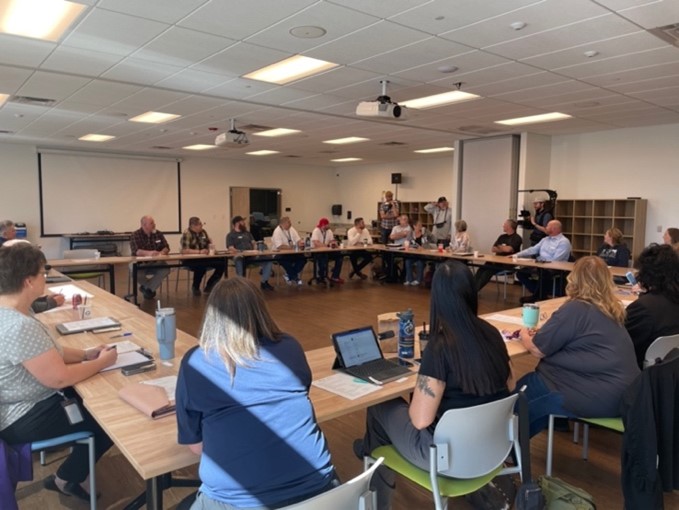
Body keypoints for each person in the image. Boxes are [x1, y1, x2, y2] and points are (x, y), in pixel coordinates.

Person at [353, 261, 512, 509]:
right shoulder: (492, 334)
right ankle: (369, 448)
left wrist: (416, 391)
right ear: (471, 292)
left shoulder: (440, 347)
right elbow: (507, 387)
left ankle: (375, 483)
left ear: (437, 297)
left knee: (380, 404)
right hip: (492, 446)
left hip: (446, 456)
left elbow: (420, 421)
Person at [176, 277, 337, 509]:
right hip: (323, 493)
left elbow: (197, 447)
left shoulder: (197, 361)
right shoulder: (290, 346)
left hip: (236, 502)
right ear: (261, 309)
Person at [0, 243, 118, 501]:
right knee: (109, 420)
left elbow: (49, 352)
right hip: (24, 415)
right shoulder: (18, 325)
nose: (46, 277)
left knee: (92, 401)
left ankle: (70, 471)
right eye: (44, 273)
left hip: (24, 404)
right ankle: (66, 478)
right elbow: (59, 377)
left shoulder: (14, 310)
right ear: (28, 281)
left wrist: (87, 354)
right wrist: (103, 362)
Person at [516, 256, 640, 437]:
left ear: (574, 278)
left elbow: (538, 349)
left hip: (595, 394)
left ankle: (507, 453)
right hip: (625, 393)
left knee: (522, 392)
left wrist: (524, 335)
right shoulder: (612, 309)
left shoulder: (576, 308)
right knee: (536, 387)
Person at [625, 243, 679, 368]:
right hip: (670, 368)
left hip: (640, 372)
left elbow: (622, 344)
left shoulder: (642, 308)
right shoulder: (672, 299)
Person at [515, 220, 571, 303]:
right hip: (540, 265)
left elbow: (556, 259)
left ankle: (538, 296)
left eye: (548, 226)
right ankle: (539, 293)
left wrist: (542, 263)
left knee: (544, 273)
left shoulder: (563, 242)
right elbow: (533, 249)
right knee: (521, 273)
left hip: (555, 267)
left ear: (554, 229)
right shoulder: (545, 239)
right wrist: (517, 255)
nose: (545, 228)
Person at [226, 215, 274, 291]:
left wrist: (255, 248)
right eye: (242, 221)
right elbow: (230, 248)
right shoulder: (230, 235)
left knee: (268, 259)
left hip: (251, 255)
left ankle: (264, 282)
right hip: (239, 256)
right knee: (239, 260)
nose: (244, 223)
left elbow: (253, 243)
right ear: (237, 223)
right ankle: (241, 284)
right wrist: (239, 251)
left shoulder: (247, 233)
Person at [180, 217, 225, 296]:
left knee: (221, 262)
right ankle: (195, 287)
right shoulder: (187, 233)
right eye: (200, 224)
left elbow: (207, 244)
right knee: (201, 265)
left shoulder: (203, 232)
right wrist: (199, 252)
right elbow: (185, 250)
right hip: (190, 259)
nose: (202, 226)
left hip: (204, 257)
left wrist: (211, 248)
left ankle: (210, 284)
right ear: (193, 226)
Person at [474, 219, 523, 291]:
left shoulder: (517, 238)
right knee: (481, 269)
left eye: (504, 225)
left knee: (487, 272)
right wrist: (504, 248)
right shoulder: (502, 237)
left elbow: (508, 250)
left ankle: (473, 291)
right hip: (496, 261)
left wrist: (500, 247)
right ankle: (470, 288)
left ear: (509, 227)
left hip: (507, 264)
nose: (503, 226)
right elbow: (493, 249)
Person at [130, 215, 170, 299]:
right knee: (133, 271)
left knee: (166, 268)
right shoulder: (135, 235)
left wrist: (163, 251)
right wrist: (149, 253)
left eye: (153, 222)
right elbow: (136, 251)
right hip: (140, 264)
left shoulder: (158, 234)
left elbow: (166, 247)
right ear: (144, 225)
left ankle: (146, 288)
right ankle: (149, 287)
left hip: (155, 263)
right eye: (151, 223)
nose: (154, 224)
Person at [271, 216, 306, 286]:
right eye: (288, 222)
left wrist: (300, 243)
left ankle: (289, 275)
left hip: (291, 252)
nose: (290, 223)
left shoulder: (291, 229)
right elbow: (279, 246)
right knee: (286, 260)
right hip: (279, 254)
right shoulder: (277, 231)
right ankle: (295, 277)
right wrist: (291, 247)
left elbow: (298, 239)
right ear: (283, 223)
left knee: (303, 258)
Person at [310, 217, 344, 284]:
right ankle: (321, 277)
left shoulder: (329, 231)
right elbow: (316, 243)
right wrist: (327, 245)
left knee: (340, 256)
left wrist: (335, 244)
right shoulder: (316, 231)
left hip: (327, 251)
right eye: (327, 224)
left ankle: (335, 276)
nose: (329, 226)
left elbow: (332, 241)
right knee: (323, 258)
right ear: (323, 225)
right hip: (316, 252)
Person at [404, 220, 428, 286]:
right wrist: (411, 246)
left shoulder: (424, 233)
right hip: (413, 254)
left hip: (423, 255)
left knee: (420, 263)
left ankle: (418, 280)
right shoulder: (411, 233)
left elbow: (427, 243)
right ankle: (409, 279)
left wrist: (423, 247)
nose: (420, 227)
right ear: (414, 226)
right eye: (419, 225)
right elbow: (407, 242)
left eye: (421, 225)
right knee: (407, 261)